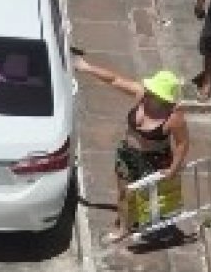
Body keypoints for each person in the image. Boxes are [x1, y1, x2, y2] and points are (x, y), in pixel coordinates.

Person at [73, 55, 190, 245]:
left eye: (155, 93)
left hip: (154, 159)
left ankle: (152, 224)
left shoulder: (174, 117)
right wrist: (87, 68)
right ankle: (123, 228)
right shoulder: (141, 94)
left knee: (149, 197)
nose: (149, 93)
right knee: (124, 193)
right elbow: (115, 79)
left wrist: (173, 168)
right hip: (127, 153)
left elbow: (183, 143)